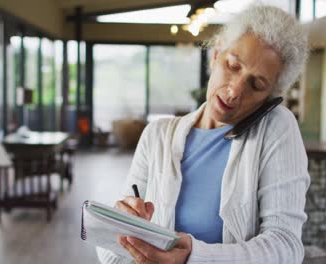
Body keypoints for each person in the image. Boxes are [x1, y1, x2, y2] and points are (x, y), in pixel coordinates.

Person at [98, 4, 310, 264]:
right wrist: (119, 228)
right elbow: (110, 257)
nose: (234, 91)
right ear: (216, 54)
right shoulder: (156, 136)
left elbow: (286, 247)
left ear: (269, 98)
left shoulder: (276, 128)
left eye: (256, 85)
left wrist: (194, 257)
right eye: (233, 66)